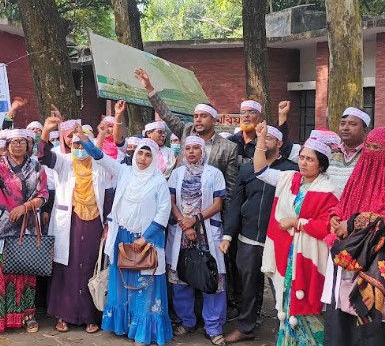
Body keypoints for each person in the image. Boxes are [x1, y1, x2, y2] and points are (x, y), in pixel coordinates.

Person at [322, 126, 385, 345]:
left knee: (375, 328)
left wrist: (352, 223)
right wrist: (335, 217)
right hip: (347, 261)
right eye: (367, 147)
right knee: (341, 319)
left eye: (377, 148)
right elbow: (344, 205)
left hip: (380, 264)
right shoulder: (359, 176)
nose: (370, 153)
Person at [72, 137, 172, 346]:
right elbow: (100, 158)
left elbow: (163, 212)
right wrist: (83, 139)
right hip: (122, 238)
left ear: (154, 158)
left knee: (145, 285)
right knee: (124, 283)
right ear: (134, 155)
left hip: (146, 241)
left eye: (148, 155)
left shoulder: (159, 181)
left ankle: (144, 332)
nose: (143, 159)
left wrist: (145, 238)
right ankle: (125, 326)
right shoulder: (126, 172)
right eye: (141, 154)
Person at [254, 122, 339, 346]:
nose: (303, 162)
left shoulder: (328, 190)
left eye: (310, 159)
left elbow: (327, 227)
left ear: (322, 165)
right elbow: (260, 170)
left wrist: (296, 222)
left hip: (310, 256)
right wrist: (261, 139)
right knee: (286, 301)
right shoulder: (288, 178)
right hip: (287, 252)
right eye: (302, 157)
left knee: (308, 304)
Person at [38, 112, 116, 334]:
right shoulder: (64, 163)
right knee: (67, 267)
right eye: (75, 143)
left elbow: (109, 196)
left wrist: (108, 224)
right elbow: (43, 156)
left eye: (83, 143)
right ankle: (64, 315)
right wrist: (46, 129)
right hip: (69, 223)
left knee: (92, 266)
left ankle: (91, 316)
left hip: (94, 224)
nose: (79, 147)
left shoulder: (101, 166)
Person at [221, 125, 298, 343]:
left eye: (269, 138)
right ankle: (246, 327)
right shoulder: (247, 170)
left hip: (279, 239)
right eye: (261, 138)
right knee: (248, 287)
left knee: (281, 287)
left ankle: (287, 329)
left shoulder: (291, 171)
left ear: (281, 143)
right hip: (248, 237)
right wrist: (228, 236)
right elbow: (235, 204)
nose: (263, 142)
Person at [0, 127, 49, 334]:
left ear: (28, 146)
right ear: (6, 146)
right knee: (1, 274)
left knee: (27, 274)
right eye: (13, 142)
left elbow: (43, 195)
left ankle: (28, 317)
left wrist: (24, 207)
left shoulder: (36, 167)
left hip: (27, 228)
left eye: (22, 141)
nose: (17, 144)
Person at [166, 136, 228, 345]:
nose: (191, 152)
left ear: (203, 152)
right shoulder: (176, 174)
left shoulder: (214, 174)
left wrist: (194, 220)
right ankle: (187, 321)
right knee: (181, 278)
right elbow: (171, 201)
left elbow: (218, 203)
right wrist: (184, 224)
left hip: (207, 232)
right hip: (182, 232)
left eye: (196, 149)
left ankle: (213, 327)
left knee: (212, 279)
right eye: (188, 149)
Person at [226, 98, 294, 163]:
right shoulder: (230, 141)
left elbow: (281, 143)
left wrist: (282, 115)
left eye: (252, 112)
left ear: (259, 117)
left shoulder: (266, 141)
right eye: (243, 112)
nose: (246, 115)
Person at [327, 107, 371, 197]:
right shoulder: (330, 154)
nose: (345, 128)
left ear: (365, 131)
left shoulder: (370, 156)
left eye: (352, 124)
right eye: (342, 124)